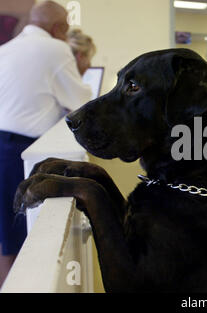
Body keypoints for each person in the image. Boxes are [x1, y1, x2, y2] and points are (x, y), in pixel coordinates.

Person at [0, 1, 92, 287]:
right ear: (58, 29)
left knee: (7, 241)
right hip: (20, 151)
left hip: (3, 145)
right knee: (30, 240)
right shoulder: (55, 48)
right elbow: (82, 103)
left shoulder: (7, 49)